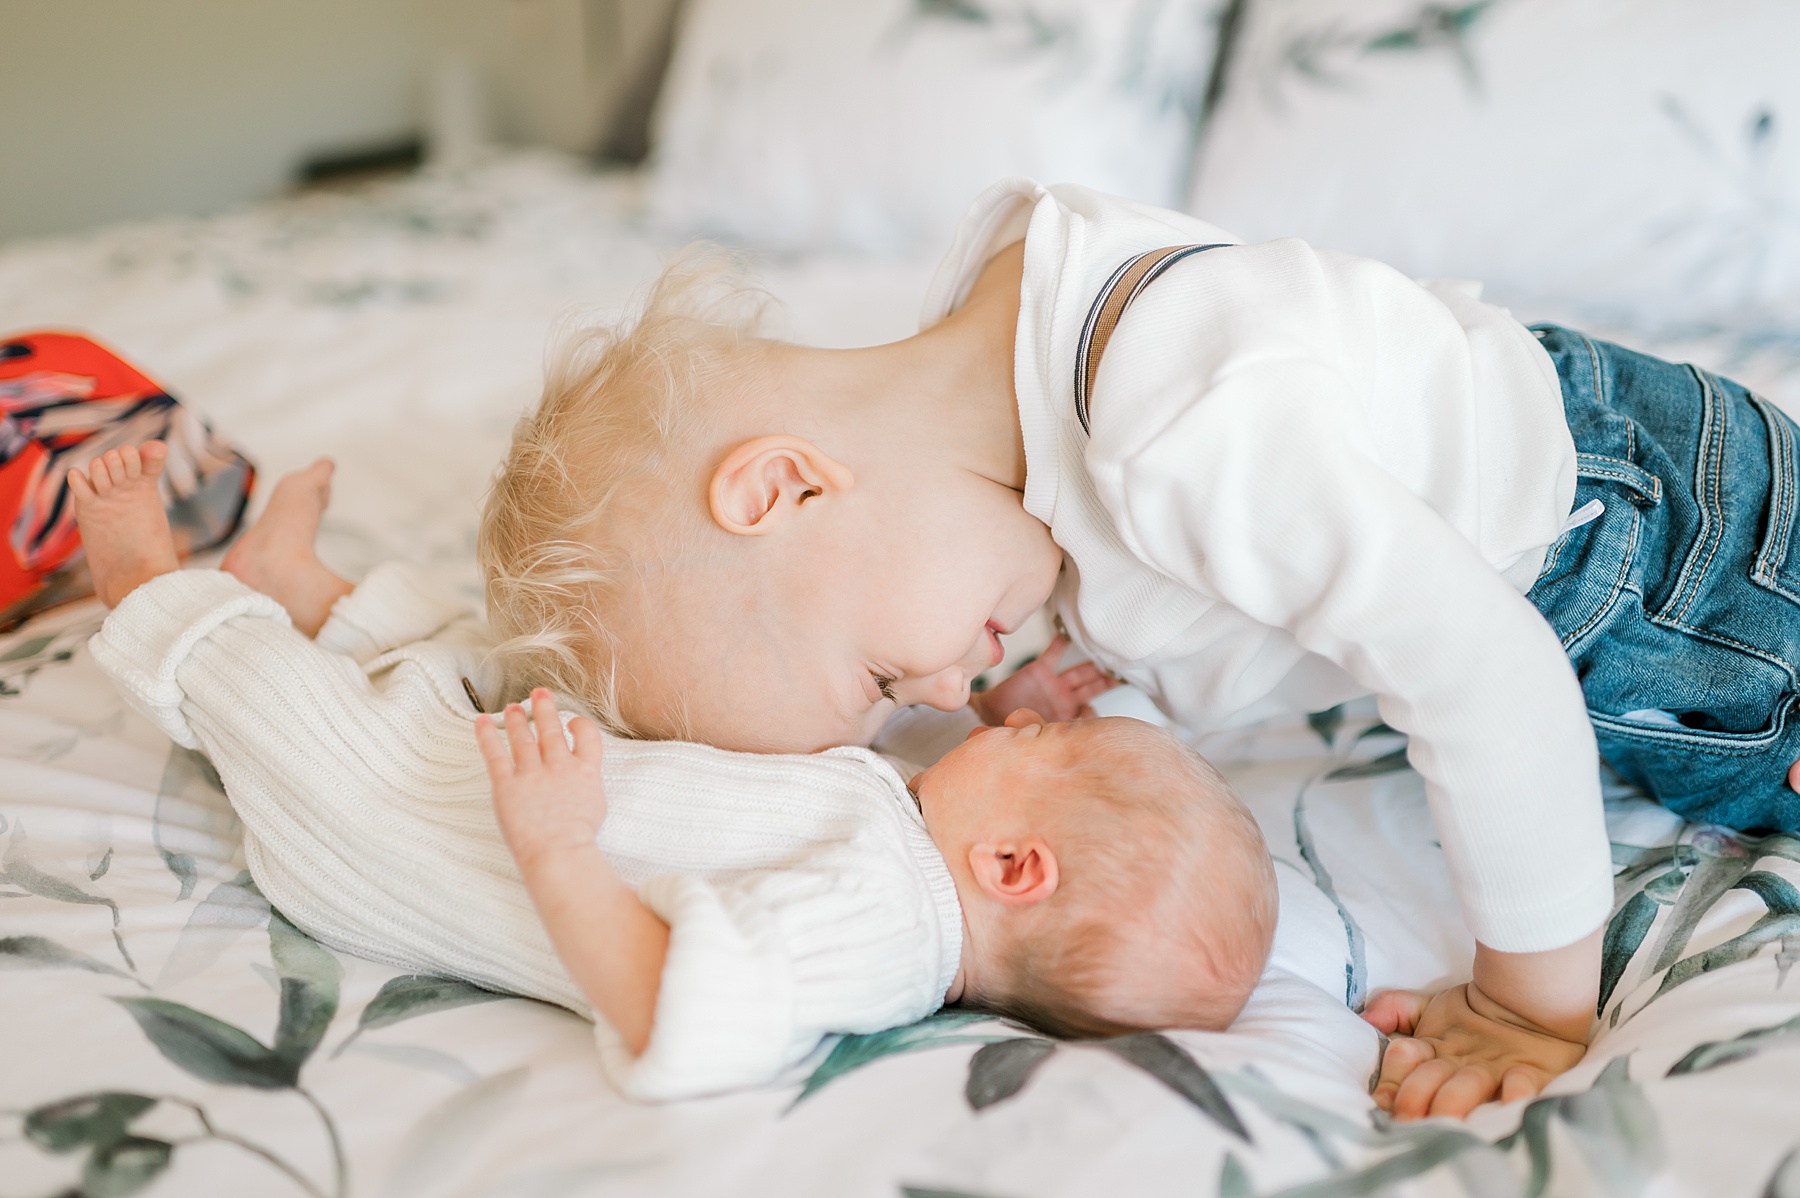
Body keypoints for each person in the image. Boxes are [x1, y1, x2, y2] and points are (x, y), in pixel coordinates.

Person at [477, 178, 1800, 1120]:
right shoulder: (1021, 306)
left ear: (785, 489)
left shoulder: (1183, 434)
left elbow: (1493, 677)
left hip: (1651, 581)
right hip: (1640, 458)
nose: (947, 694)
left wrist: (1526, 1002)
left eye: (885, 678)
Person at [67, 443, 1279, 1101]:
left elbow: (676, 1011)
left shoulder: (877, 935)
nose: (1001, 734)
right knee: (466, 658)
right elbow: (923, 752)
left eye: (1035, 750)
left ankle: (149, 590)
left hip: (423, 844)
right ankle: (303, 587)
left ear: (1015, 868)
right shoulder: (920, 842)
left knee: (302, 721)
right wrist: (1016, 700)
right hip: (521, 760)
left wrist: (557, 844)